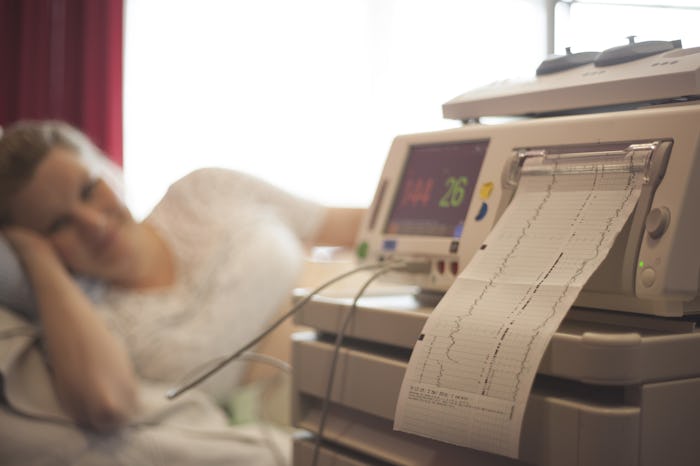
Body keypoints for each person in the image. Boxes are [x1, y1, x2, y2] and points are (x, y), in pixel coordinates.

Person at [0, 120, 364, 463]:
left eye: (89, 189)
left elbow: (342, 225)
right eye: (59, 223)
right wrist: (36, 259)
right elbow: (107, 403)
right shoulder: (94, 322)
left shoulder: (205, 190)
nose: (93, 223)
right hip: (334, 418)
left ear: (106, 165)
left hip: (389, 309)